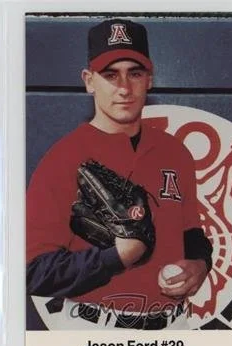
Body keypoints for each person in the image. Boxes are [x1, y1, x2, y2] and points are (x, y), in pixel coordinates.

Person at [26, 18, 213, 330]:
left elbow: (191, 233)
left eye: (135, 74)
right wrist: (117, 257)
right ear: (89, 81)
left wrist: (199, 265)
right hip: (92, 328)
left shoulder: (176, 152)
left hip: (173, 327)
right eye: (110, 75)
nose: (124, 88)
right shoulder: (63, 158)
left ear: (149, 80)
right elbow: (34, 271)